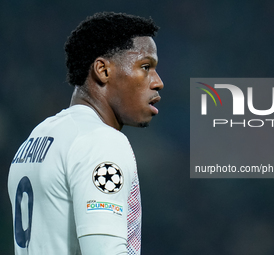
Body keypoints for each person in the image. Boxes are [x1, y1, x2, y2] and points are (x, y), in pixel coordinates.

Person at [8, 12, 164, 255]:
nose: (157, 82)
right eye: (145, 67)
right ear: (102, 70)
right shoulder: (101, 141)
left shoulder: (37, 138)